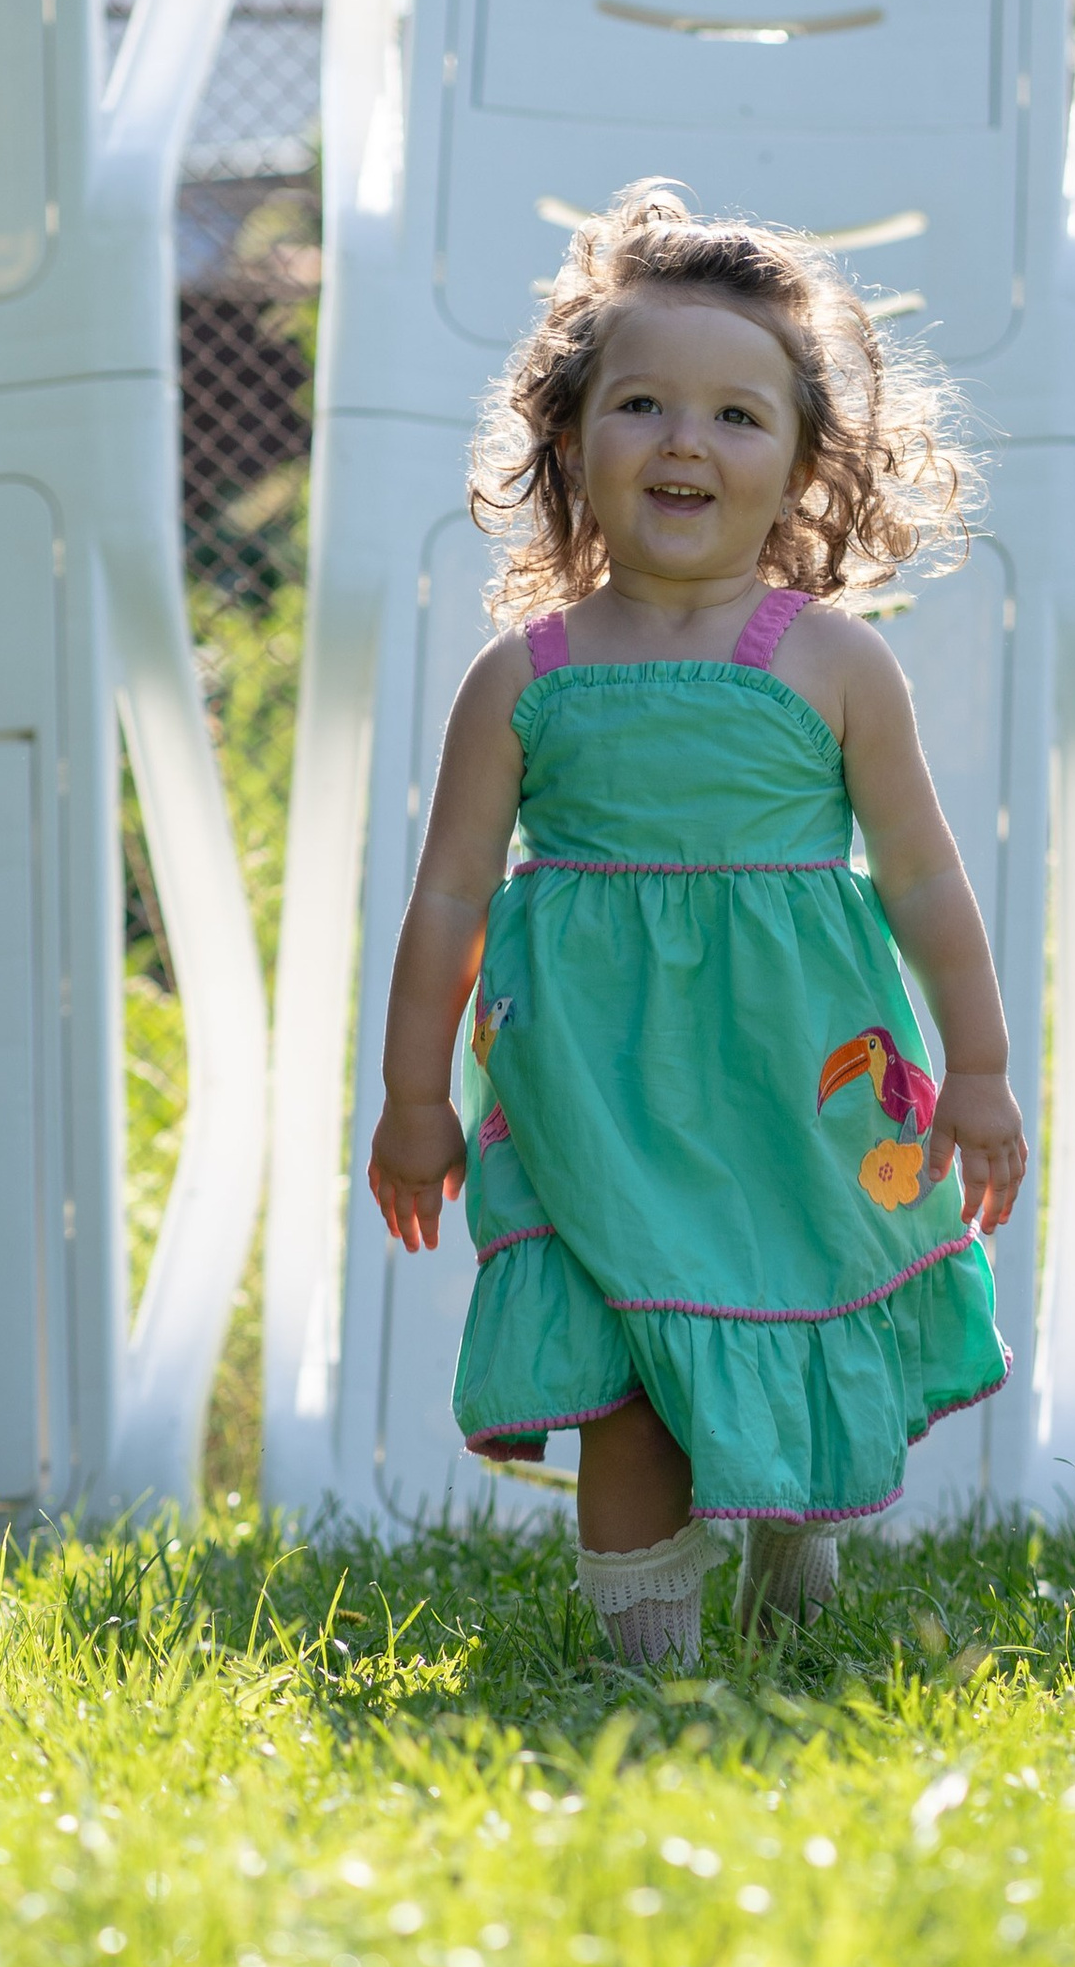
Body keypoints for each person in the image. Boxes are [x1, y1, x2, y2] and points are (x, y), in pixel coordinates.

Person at [367, 182, 1025, 1668]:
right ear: (568, 442)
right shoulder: (521, 677)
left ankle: (795, 1585)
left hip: (790, 1071)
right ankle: (645, 1666)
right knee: (626, 1366)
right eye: (643, 404)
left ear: (801, 465)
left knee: (792, 1307)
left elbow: (924, 879)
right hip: (590, 1087)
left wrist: (976, 1070)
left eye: (737, 417)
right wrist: (417, 1100)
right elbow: (452, 898)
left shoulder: (834, 664)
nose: (685, 440)